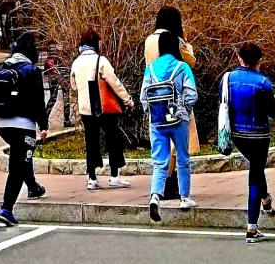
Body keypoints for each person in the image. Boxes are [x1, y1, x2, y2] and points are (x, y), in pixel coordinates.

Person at [0, 34, 49, 227]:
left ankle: (33, 187)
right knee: (17, 165)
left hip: (0, 123)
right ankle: (6, 209)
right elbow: (39, 101)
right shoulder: (31, 70)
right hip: (23, 125)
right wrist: (44, 125)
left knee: (22, 155)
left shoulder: (2, 67)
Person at [225, 41, 275, 244]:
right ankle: (252, 227)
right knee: (255, 175)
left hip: (237, 134)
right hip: (259, 135)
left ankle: (266, 200)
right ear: (259, 61)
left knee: (257, 169)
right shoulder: (263, 82)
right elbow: (272, 112)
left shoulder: (228, 79)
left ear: (239, 59)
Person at [142, 30, 198, 222]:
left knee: (159, 161)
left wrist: (151, 113)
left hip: (157, 120)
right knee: (183, 157)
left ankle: (155, 196)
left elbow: (143, 98)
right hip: (178, 119)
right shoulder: (183, 67)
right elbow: (192, 95)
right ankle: (185, 197)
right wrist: (185, 110)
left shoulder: (150, 68)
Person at [69, 27, 133, 190]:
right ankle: (114, 176)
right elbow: (115, 83)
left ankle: (92, 178)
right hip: (104, 109)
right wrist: (127, 100)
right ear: (95, 43)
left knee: (91, 142)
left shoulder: (76, 63)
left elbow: (73, 86)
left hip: (85, 109)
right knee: (113, 139)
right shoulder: (101, 61)